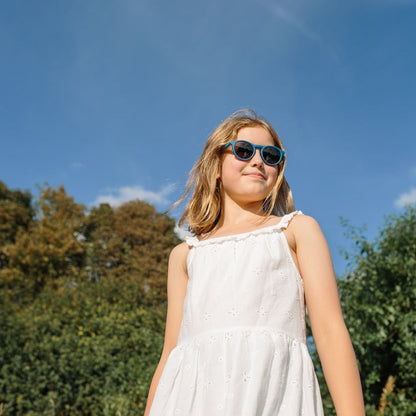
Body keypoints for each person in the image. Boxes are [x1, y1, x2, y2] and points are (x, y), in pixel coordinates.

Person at [144, 109, 365, 415]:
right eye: (244, 150)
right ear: (216, 165)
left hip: (272, 398)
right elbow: (171, 353)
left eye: (271, 156)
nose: (259, 161)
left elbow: (329, 330)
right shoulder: (184, 255)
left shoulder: (297, 231)